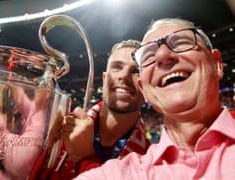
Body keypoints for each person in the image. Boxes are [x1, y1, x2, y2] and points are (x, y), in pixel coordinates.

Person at [74, 18, 235, 179]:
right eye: (149, 55)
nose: (163, 55)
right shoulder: (127, 171)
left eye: (180, 43)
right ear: (144, 89)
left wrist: (86, 159)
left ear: (216, 64)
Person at [29, 39, 150, 179]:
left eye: (136, 71)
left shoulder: (150, 162)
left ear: (147, 87)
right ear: (104, 79)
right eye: (117, 67)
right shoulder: (62, 127)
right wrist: (44, 149)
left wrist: (85, 157)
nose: (124, 76)